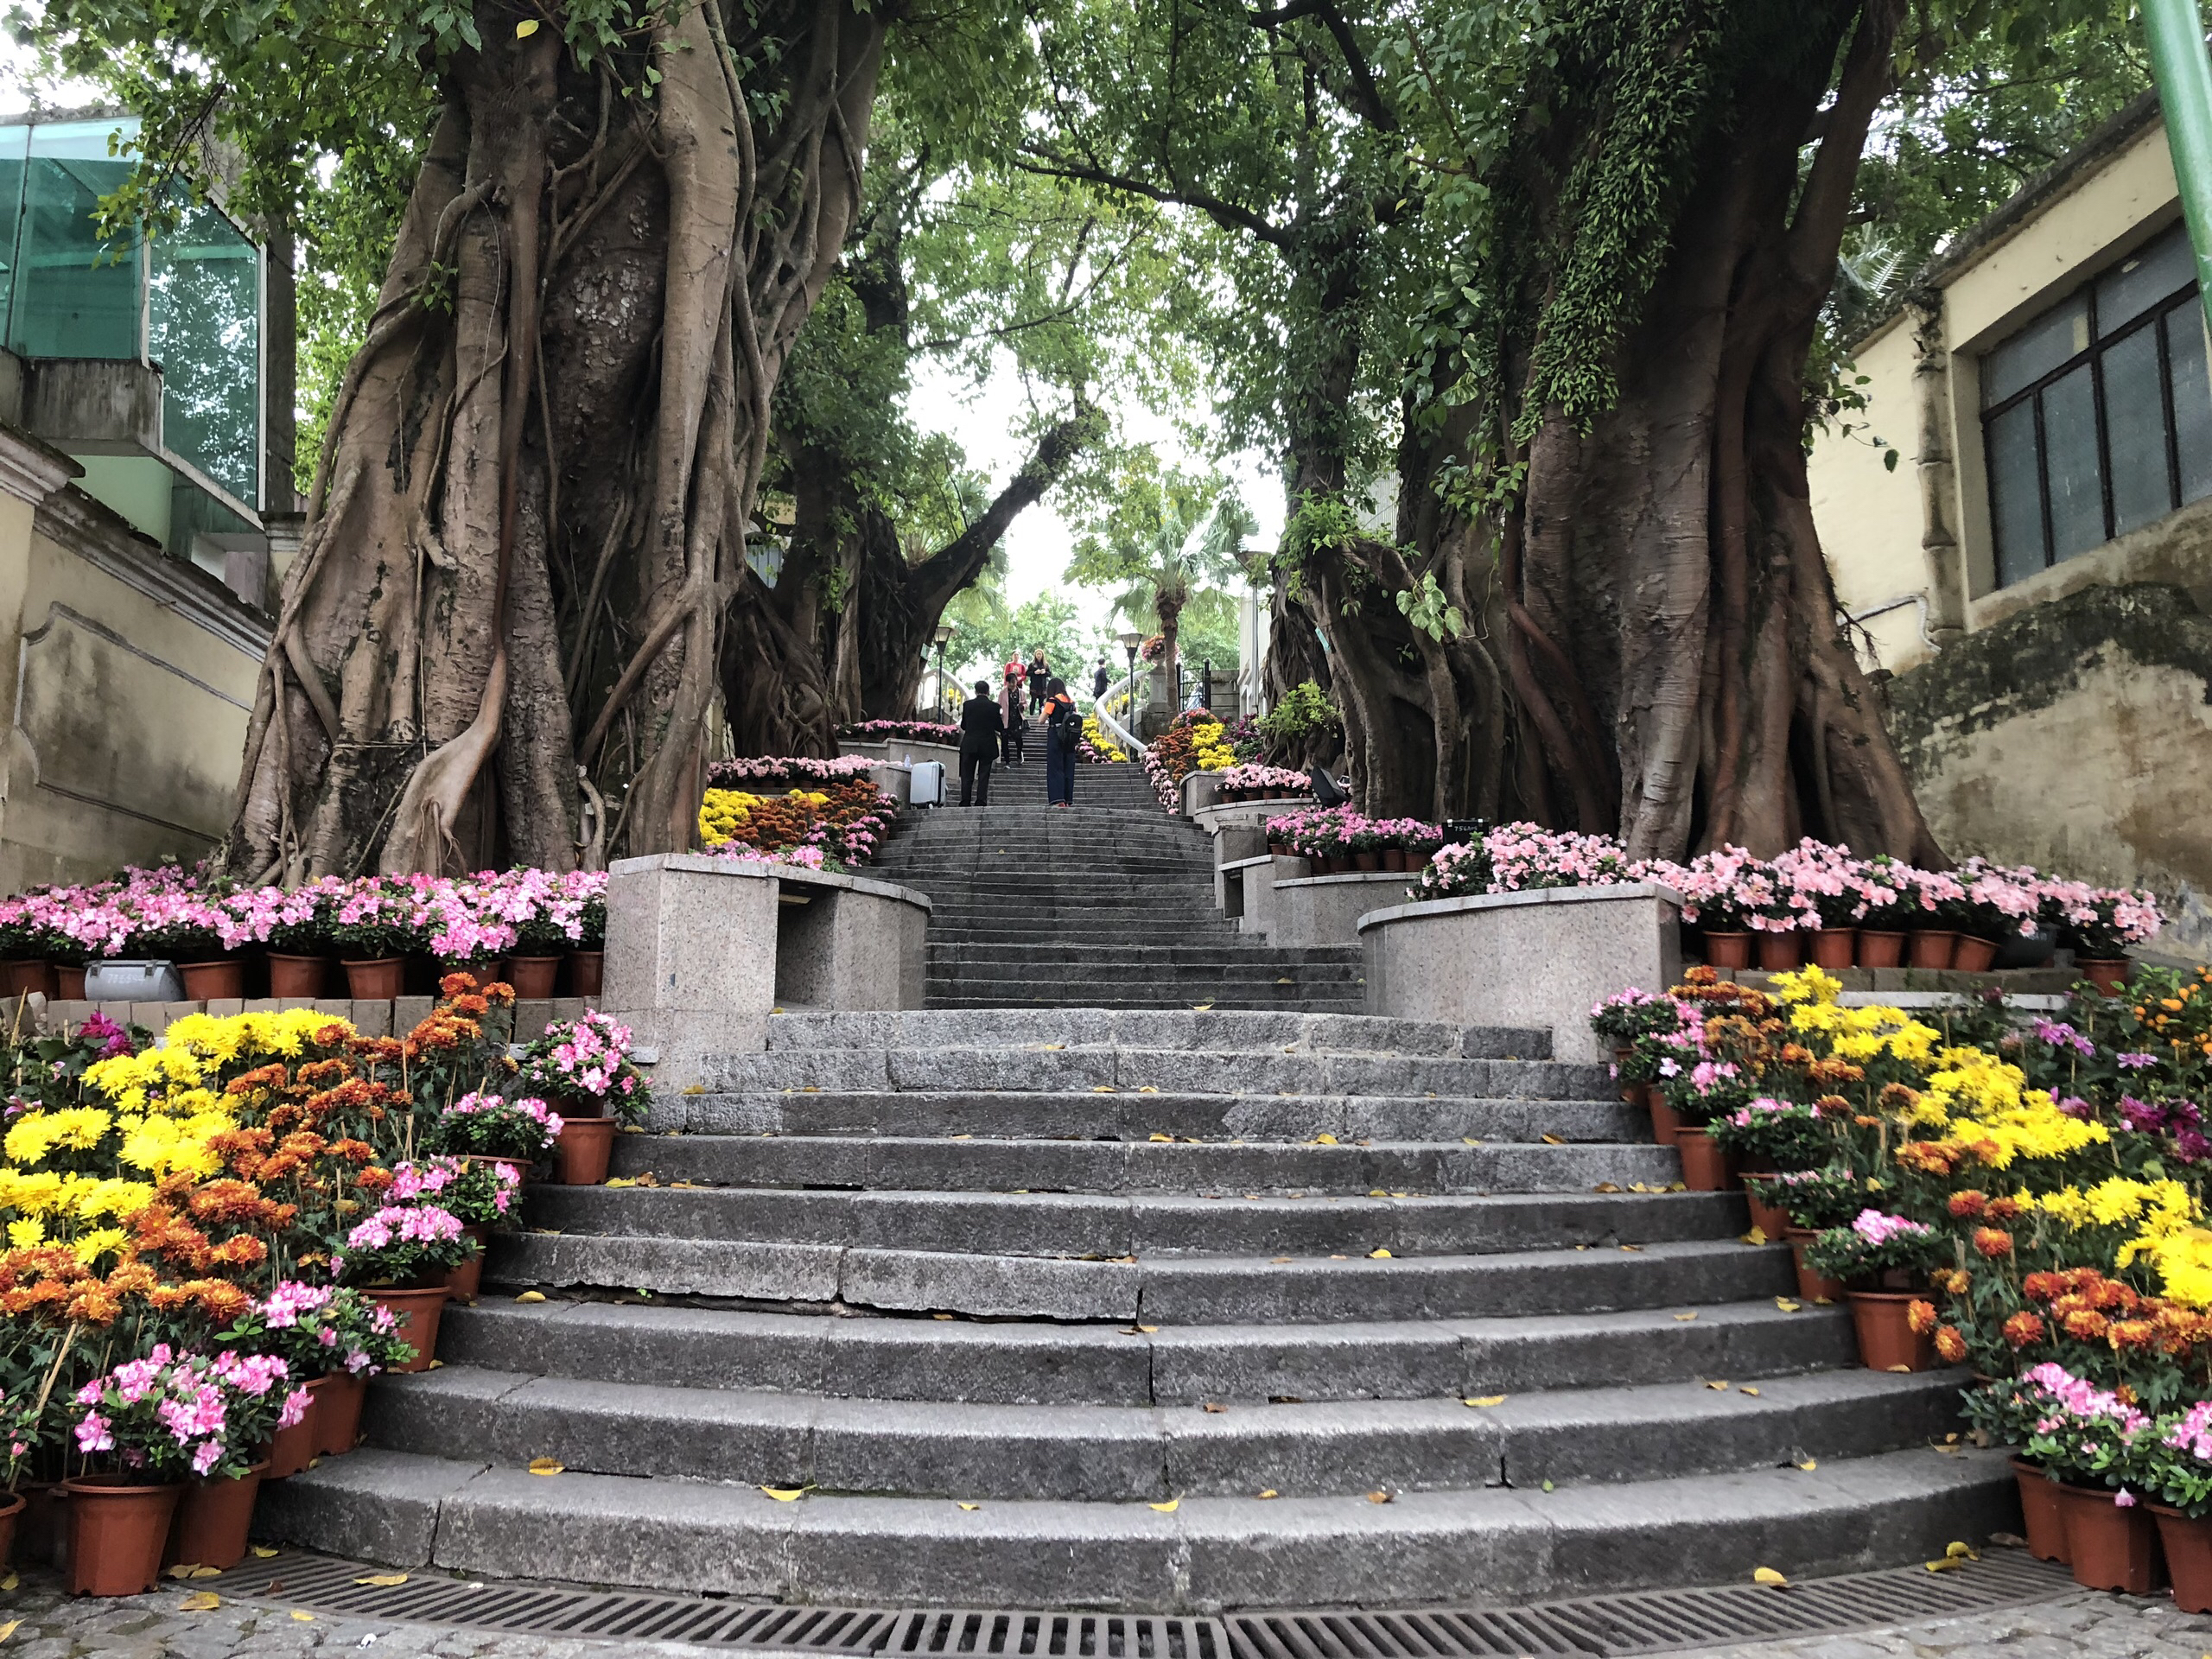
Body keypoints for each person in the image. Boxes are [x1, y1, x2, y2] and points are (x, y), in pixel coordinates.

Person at [958, 680, 1006, 807]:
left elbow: (963, 725)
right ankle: (981, 800)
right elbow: (999, 727)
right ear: (988, 692)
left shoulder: (967, 705)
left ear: (975, 691)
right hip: (987, 744)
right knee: (984, 774)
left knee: (967, 774)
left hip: (970, 743)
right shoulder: (995, 707)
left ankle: (965, 800)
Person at [1042, 677, 1080, 807]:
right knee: (1069, 768)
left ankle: (1058, 799)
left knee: (1055, 767)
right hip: (1070, 738)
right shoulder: (1072, 702)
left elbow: (1041, 720)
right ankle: (1068, 799)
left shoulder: (1052, 701)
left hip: (1056, 735)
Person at [999, 659, 1026, 764]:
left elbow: (1025, 703)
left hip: (1017, 719)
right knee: (1005, 741)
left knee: (1019, 739)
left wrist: (1023, 706)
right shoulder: (1003, 693)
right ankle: (1007, 761)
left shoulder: (1021, 692)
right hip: (1006, 719)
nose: (1012, 684)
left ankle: (1019, 754)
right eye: (1010, 683)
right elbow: (999, 705)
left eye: (1014, 682)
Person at [1027, 648, 1052, 715]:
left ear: (1042, 655)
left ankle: (1041, 715)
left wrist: (1044, 672)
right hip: (1034, 685)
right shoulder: (1032, 664)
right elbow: (1027, 673)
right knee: (1033, 700)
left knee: (1041, 701)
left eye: (1040, 654)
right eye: (1037, 654)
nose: (1039, 655)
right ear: (1035, 655)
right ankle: (1031, 714)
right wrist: (1034, 672)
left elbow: (1049, 673)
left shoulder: (1046, 664)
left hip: (1042, 685)